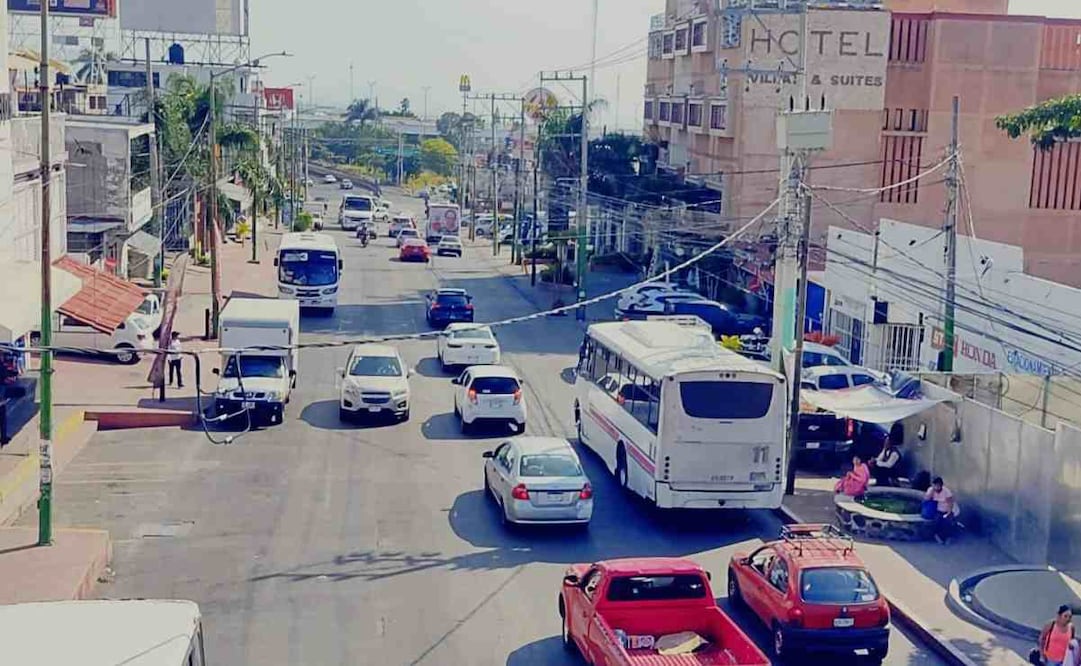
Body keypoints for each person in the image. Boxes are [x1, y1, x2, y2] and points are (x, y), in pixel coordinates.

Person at [925, 476, 957, 544]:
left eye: (938, 486)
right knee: (936, 521)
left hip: (947, 509)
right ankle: (937, 536)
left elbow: (950, 503)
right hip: (938, 510)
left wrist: (948, 513)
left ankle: (948, 537)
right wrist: (932, 492)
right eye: (935, 485)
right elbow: (927, 499)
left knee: (947, 522)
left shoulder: (946, 491)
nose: (936, 487)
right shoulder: (931, 490)